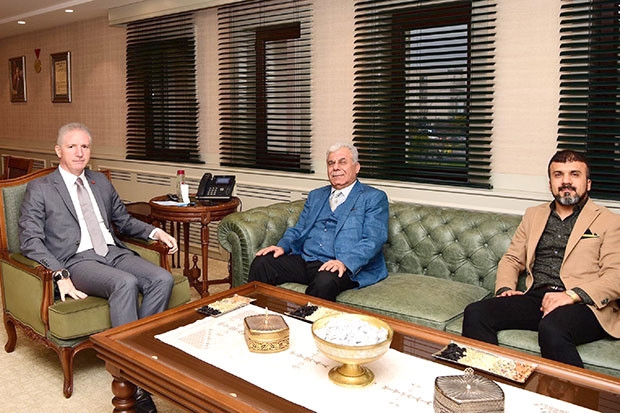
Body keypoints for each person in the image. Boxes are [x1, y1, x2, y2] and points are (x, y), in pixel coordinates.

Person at [19, 122, 178, 413]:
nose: (79, 153)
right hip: (77, 260)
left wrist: (155, 232)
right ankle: (133, 380)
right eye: (72, 146)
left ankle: (139, 357)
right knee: (124, 283)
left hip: (112, 251)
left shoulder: (100, 182)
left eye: (85, 146)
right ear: (58, 151)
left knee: (162, 278)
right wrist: (59, 272)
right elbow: (29, 240)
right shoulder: (40, 188)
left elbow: (123, 220)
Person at [462, 150, 620, 368]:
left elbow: (615, 276)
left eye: (574, 174)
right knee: (476, 312)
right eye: (558, 175)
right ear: (550, 184)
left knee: (552, 327)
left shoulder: (609, 221)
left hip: (584, 304)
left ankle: (572, 392)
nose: (566, 181)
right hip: (537, 298)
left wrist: (570, 296)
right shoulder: (533, 214)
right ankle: (489, 380)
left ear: (588, 183)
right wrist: (505, 289)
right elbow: (512, 259)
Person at [248, 142, 389, 301]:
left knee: (325, 281)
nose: (335, 168)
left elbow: (373, 240)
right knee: (262, 263)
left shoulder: (373, 197)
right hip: (307, 259)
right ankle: (256, 313)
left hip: (344, 265)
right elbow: (299, 229)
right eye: (331, 163)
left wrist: (344, 262)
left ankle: (305, 317)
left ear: (356, 167)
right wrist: (282, 246)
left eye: (342, 162)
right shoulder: (316, 195)